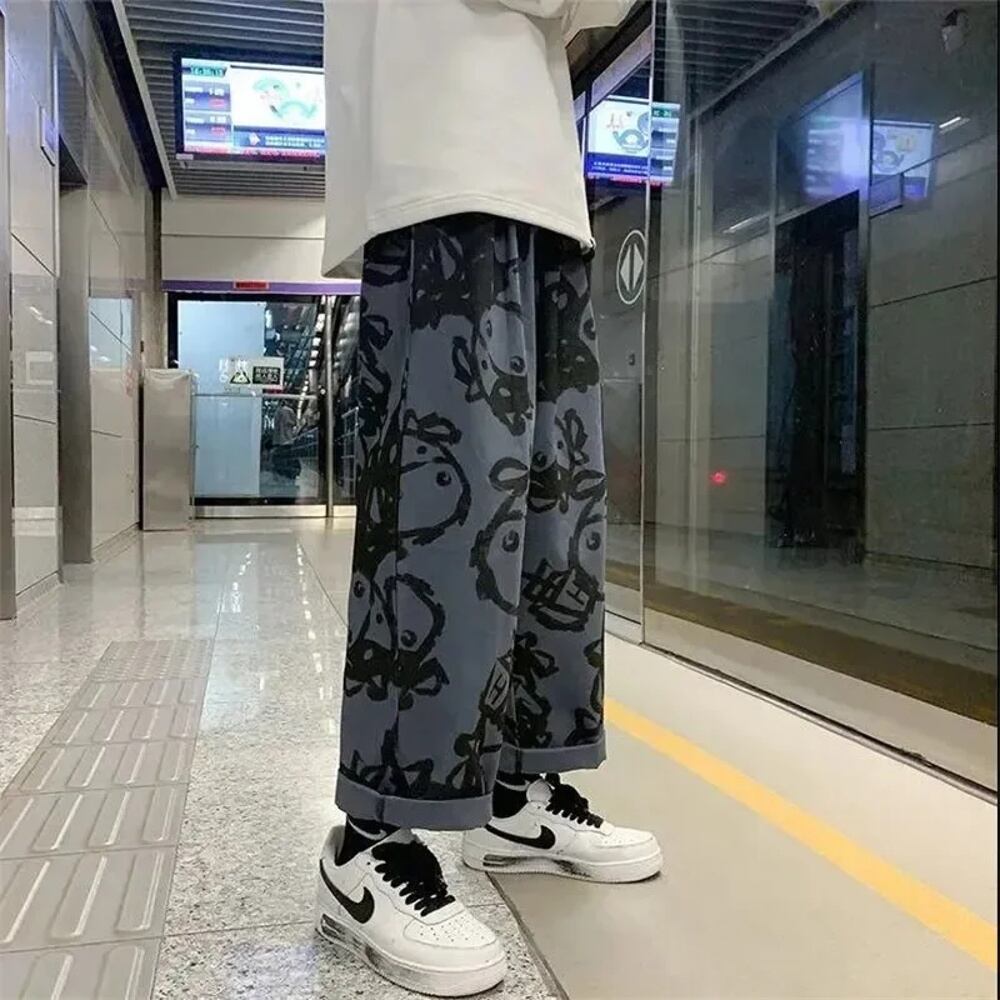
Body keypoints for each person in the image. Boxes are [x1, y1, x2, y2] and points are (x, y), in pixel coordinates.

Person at [316, 2, 662, 995]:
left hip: (538, 183)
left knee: (554, 516)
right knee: (445, 517)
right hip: (439, 165)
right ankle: (368, 840)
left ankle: (518, 794)